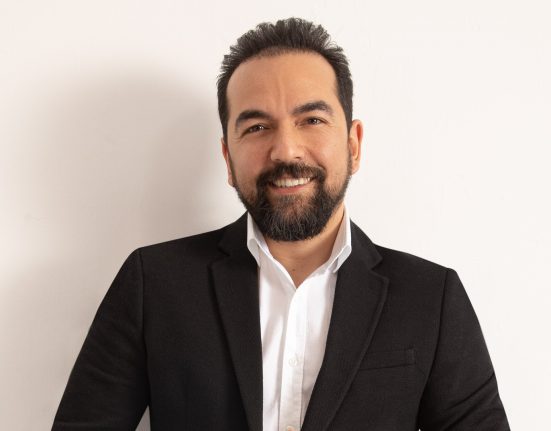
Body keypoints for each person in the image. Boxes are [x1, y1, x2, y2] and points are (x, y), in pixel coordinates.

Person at [52, 18, 510, 431]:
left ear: (353, 144)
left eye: (311, 119)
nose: (286, 150)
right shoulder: (153, 283)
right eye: (257, 127)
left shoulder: (431, 299)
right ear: (228, 158)